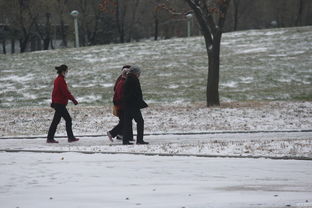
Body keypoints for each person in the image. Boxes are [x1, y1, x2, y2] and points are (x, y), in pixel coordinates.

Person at [47, 64, 79, 143]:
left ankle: (50, 138)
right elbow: (65, 92)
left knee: (56, 121)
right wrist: (73, 100)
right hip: (60, 104)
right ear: (63, 71)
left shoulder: (58, 79)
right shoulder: (60, 80)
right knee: (68, 119)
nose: (67, 72)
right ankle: (70, 138)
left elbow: (55, 93)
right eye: (66, 71)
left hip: (58, 103)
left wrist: (53, 102)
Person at [122, 65, 149, 145]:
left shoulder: (128, 78)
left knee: (127, 123)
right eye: (139, 73)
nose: (139, 75)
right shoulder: (134, 80)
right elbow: (136, 93)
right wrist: (140, 103)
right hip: (133, 105)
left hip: (127, 104)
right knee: (140, 121)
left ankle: (125, 140)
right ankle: (139, 140)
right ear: (136, 73)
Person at [107, 65, 133, 142]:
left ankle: (122, 135)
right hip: (121, 106)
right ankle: (112, 133)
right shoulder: (122, 82)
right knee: (124, 121)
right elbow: (120, 95)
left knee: (124, 121)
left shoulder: (122, 80)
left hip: (121, 105)